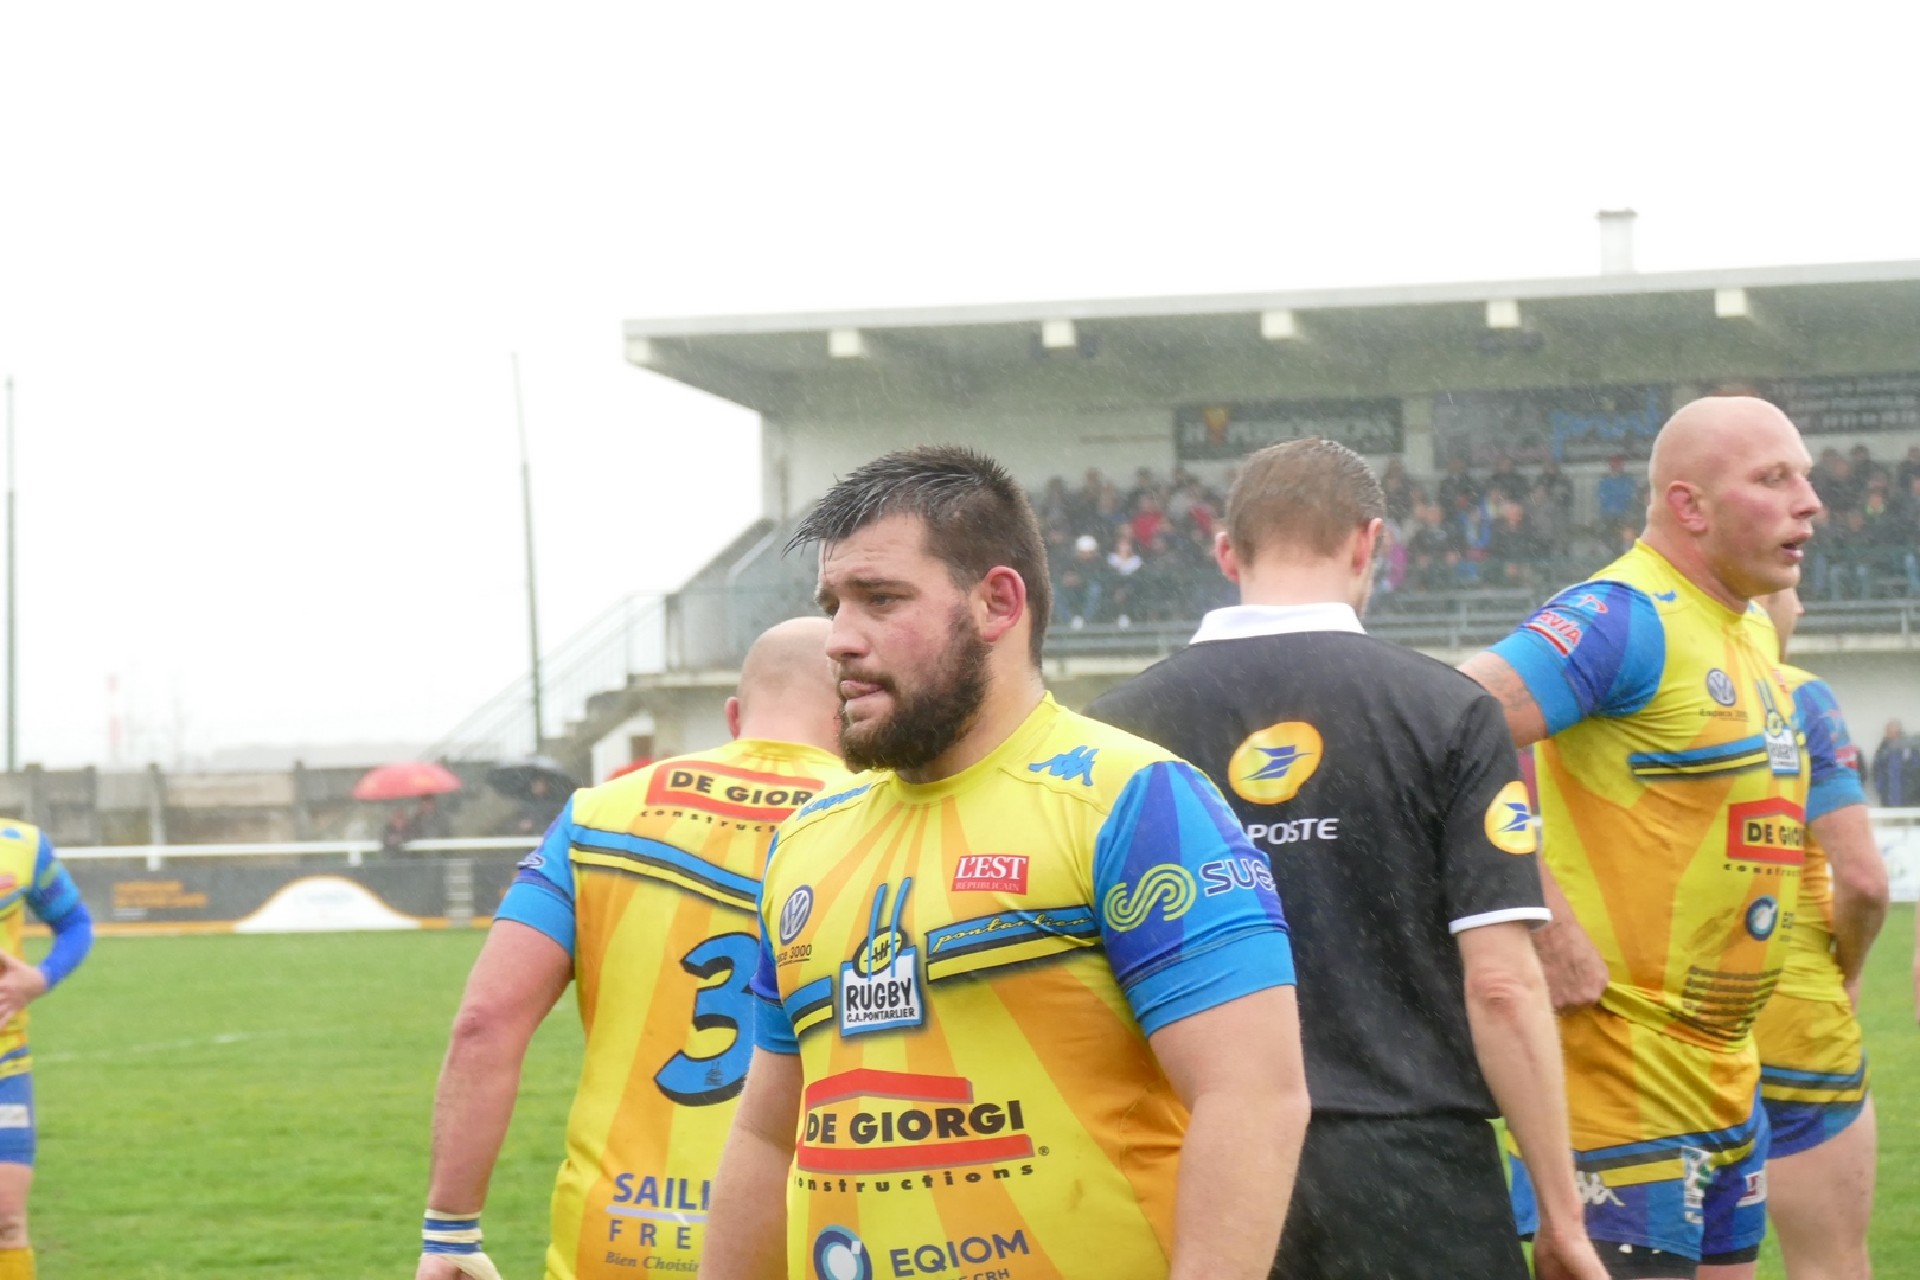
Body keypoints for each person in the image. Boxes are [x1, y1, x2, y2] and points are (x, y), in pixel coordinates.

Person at [700, 445, 1310, 1280]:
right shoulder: (807, 841)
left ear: (997, 603)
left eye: (881, 599)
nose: (838, 640)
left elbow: (1254, 1100)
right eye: (833, 605)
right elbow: (767, 1135)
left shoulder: (1136, 802)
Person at [1087, 439, 1606, 1280]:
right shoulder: (1449, 712)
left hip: (1206, 1171)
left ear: (1227, 554)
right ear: (1370, 544)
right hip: (1414, 1176)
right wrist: (1562, 1215)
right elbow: (1503, 986)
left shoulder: (1115, 731)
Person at [1461, 395, 1822, 1280]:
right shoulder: (1623, 617)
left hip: (1728, 1072)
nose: (1809, 501)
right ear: (1689, 506)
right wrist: (1540, 912)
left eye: (1805, 477)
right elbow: (1449, 729)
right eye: (1773, 478)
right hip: (1622, 1079)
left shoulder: (1749, 624)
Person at [414, 617, 843, 1280]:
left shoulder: (594, 815)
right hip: (809, 1238)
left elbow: (485, 1022)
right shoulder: (874, 820)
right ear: (852, 712)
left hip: (616, 1239)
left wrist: (450, 1230)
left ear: (734, 716)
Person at [1753, 587, 1888, 1280]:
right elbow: (1862, 881)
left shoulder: (1632, 695)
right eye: (1794, 590)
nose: (1801, 608)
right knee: (1829, 1265)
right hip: (1792, 1013)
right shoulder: (1796, 693)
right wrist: (1852, 967)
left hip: (1662, 1025)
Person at [0, 819, 94, 1280]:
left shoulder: (21, 845)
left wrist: (41, 977)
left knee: (5, 1219)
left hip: (4, 1062)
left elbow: (75, 924)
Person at [1869, 719, 1920, 807]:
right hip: (1888, 796)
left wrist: (1914, 790)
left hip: (1910, 797)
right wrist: (1880, 787)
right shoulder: (1883, 748)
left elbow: (1916, 769)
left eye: (1892, 732)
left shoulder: (1911, 748)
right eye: (1888, 732)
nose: (1889, 735)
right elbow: (1877, 769)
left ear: (1899, 732)